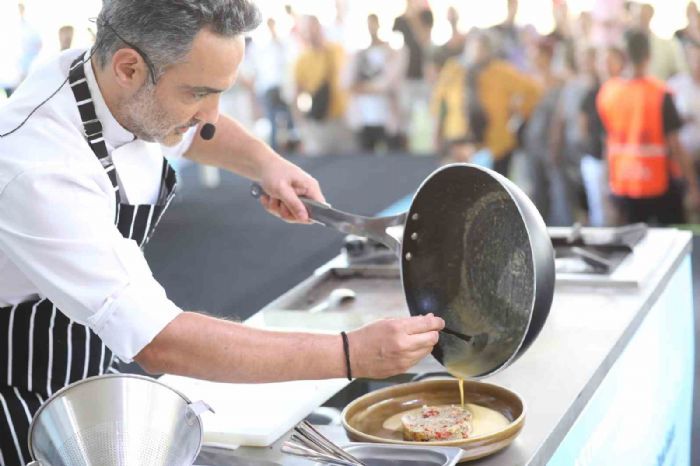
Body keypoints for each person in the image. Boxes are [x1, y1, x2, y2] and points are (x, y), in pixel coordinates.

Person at [0, 1, 445, 463]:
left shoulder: (112, 79)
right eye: (198, 94)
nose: (211, 116)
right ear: (128, 68)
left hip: (87, 365)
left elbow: (195, 134)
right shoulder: (40, 168)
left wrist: (266, 164)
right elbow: (160, 340)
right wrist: (351, 354)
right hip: (19, 392)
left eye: (219, 93)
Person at [597, 29, 700, 225]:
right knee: (671, 239)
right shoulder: (660, 93)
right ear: (648, 55)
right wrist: (693, 186)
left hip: (623, 184)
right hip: (660, 185)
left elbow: (607, 143)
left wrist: (605, 184)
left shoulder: (608, 92)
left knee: (633, 241)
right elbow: (675, 145)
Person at [432, 31, 540, 177]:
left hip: (495, 144)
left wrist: (517, 110)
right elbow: (440, 103)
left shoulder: (501, 71)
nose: (477, 53)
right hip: (459, 140)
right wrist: (437, 132)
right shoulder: (454, 70)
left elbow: (532, 91)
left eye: (482, 48)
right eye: (474, 47)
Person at [293, 15, 352, 155]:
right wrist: (302, 126)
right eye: (307, 30)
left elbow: (349, 80)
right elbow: (297, 95)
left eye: (314, 28)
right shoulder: (301, 60)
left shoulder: (337, 50)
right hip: (319, 121)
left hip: (343, 118)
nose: (312, 33)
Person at [345, 14, 400, 153]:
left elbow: (389, 84)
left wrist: (363, 88)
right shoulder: (358, 55)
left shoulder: (393, 53)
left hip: (387, 118)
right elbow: (347, 84)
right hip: (364, 118)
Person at [631, 2, 687, 80]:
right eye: (641, 15)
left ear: (651, 15)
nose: (643, 18)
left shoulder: (666, 45)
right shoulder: (628, 43)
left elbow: (679, 71)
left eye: (645, 14)